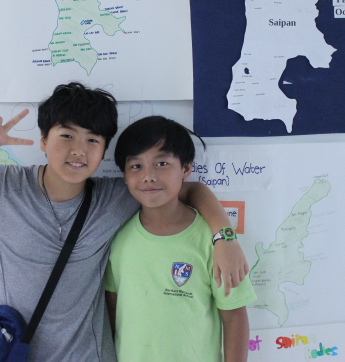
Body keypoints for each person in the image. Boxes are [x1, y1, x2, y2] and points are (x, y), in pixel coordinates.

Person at [0, 82, 248, 362]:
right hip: (16, 354)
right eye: (66, 136)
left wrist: (225, 238)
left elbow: (187, 189)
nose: (79, 150)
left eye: (92, 140)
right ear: (43, 140)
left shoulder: (115, 196)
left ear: (103, 150)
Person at [105, 115, 256, 362]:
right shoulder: (118, 238)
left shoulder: (212, 241)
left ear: (186, 169)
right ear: (124, 174)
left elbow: (234, 317)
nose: (148, 176)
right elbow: (111, 310)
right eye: (136, 166)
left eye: (162, 163)